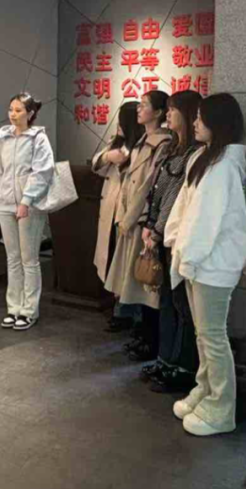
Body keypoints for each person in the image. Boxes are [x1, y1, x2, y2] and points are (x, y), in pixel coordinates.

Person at [164, 93, 246, 437]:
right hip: (195, 260)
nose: (195, 122)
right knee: (204, 335)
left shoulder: (224, 165)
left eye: (201, 117)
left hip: (212, 264)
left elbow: (207, 219)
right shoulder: (203, 157)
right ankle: (205, 389)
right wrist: (176, 242)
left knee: (213, 336)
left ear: (219, 122)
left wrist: (187, 253)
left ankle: (222, 406)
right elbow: (185, 206)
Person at [138, 90, 203, 393]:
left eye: (173, 110)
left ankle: (183, 367)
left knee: (181, 306)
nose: (168, 115)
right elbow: (157, 192)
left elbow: (176, 199)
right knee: (167, 302)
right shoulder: (173, 148)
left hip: (175, 238)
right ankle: (166, 360)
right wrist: (148, 224)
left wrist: (157, 230)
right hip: (160, 233)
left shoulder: (194, 154)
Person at [105, 91, 172, 360]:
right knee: (136, 280)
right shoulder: (143, 141)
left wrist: (130, 217)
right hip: (131, 220)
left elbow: (148, 187)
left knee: (147, 282)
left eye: (144, 105)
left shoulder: (162, 144)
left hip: (142, 221)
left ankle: (150, 340)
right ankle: (142, 334)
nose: (139, 110)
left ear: (158, 112)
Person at [0, 92, 54, 331]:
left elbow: (43, 172)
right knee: (12, 258)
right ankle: (14, 308)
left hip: (29, 205)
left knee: (29, 259)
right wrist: (5, 193)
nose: (13, 114)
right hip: (6, 202)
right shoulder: (3, 136)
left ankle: (29, 311)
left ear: (30, 114)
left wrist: (26, 200)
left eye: (18, 110)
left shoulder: (38, 138)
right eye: (11, 109)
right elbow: (0, 169)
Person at [92, 102, 143, 333]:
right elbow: (96, 165)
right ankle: (119, 309)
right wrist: (107, 157)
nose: (118, 126)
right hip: (111, 212)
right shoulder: (116, 144)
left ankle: (128, 313)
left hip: (129, 216)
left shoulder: (142, 148)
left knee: (126, 265)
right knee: (113, 260)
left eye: (122, 121)